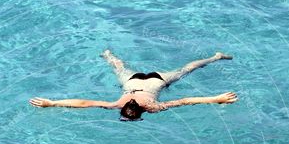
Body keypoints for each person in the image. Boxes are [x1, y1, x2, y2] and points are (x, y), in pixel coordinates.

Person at [30, 50, 237, 120]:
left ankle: (108, 54)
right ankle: (215, 57)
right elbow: (84, 102)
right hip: (137, 81)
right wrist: (52, 103)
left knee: (185, 70)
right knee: (186, 69)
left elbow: (83, 103)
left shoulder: (151, 107)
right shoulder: (119, 103)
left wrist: (215, 99)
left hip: (154, 81)